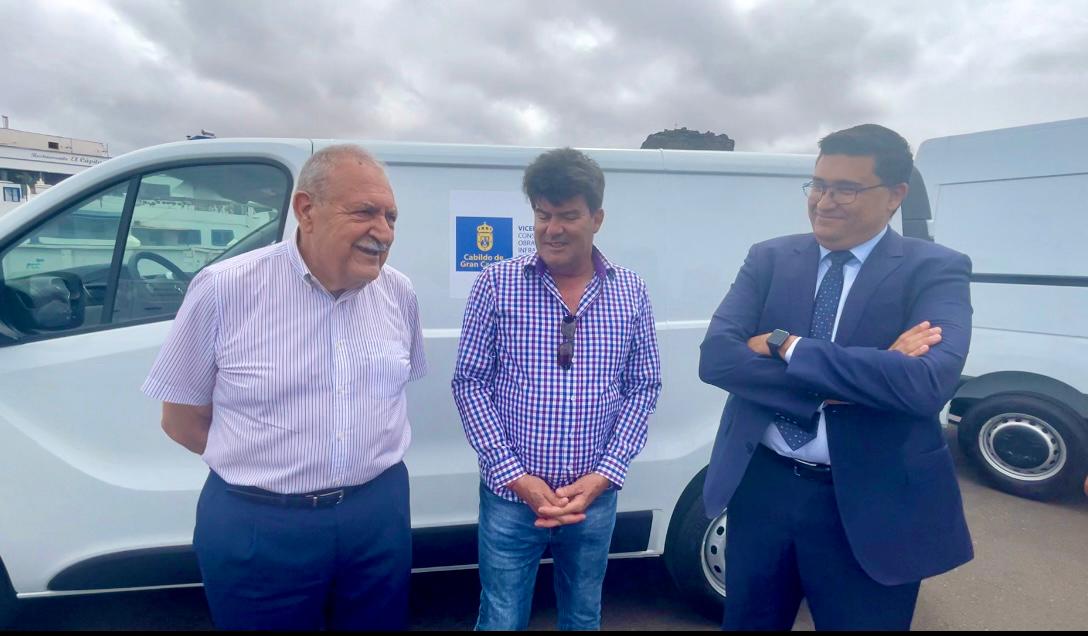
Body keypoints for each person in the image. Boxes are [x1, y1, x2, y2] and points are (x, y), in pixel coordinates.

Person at [699, 124, 974, 630]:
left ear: (895, 195)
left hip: (873, 504)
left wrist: (787, 346)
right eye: (819, 185)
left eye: (846, 189)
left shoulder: (935, 269)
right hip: (762, 488)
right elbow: (716, 359)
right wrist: (863, 375)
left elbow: (925, 385)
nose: (824, 202)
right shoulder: (769, 258)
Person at [141, 144, 426, 631]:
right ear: (306, 210)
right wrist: (269, 468)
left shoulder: (399, 292)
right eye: (364, 212)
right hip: (261, 527)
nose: (383, 231)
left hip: (378, 519)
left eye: (391, 217)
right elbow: (181, 420)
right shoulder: (224, 288)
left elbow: (396, 396)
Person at [452, 147, 662, 630]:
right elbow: (470, 383)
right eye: (543, 215)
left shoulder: (630, 291)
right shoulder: (496, 284)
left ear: (597, 218)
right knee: (501, 618)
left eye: (568, 215)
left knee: (583, 616)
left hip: (593, 500)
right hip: (511, 499)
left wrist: (605, 474)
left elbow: (643, 386)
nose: (553, 229)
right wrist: (514, 476)